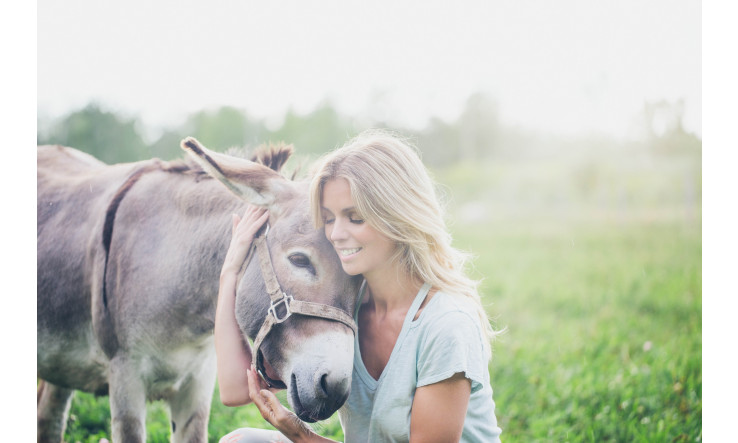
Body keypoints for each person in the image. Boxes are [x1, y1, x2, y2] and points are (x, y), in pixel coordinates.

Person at [216, 129, 503, 442]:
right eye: (329, 218)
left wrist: (301, 436)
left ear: (397, 216)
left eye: (355, 217)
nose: (336, 233)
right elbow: (233, 389)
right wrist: (231, 270)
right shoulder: (345, 307)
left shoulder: (446, 324)